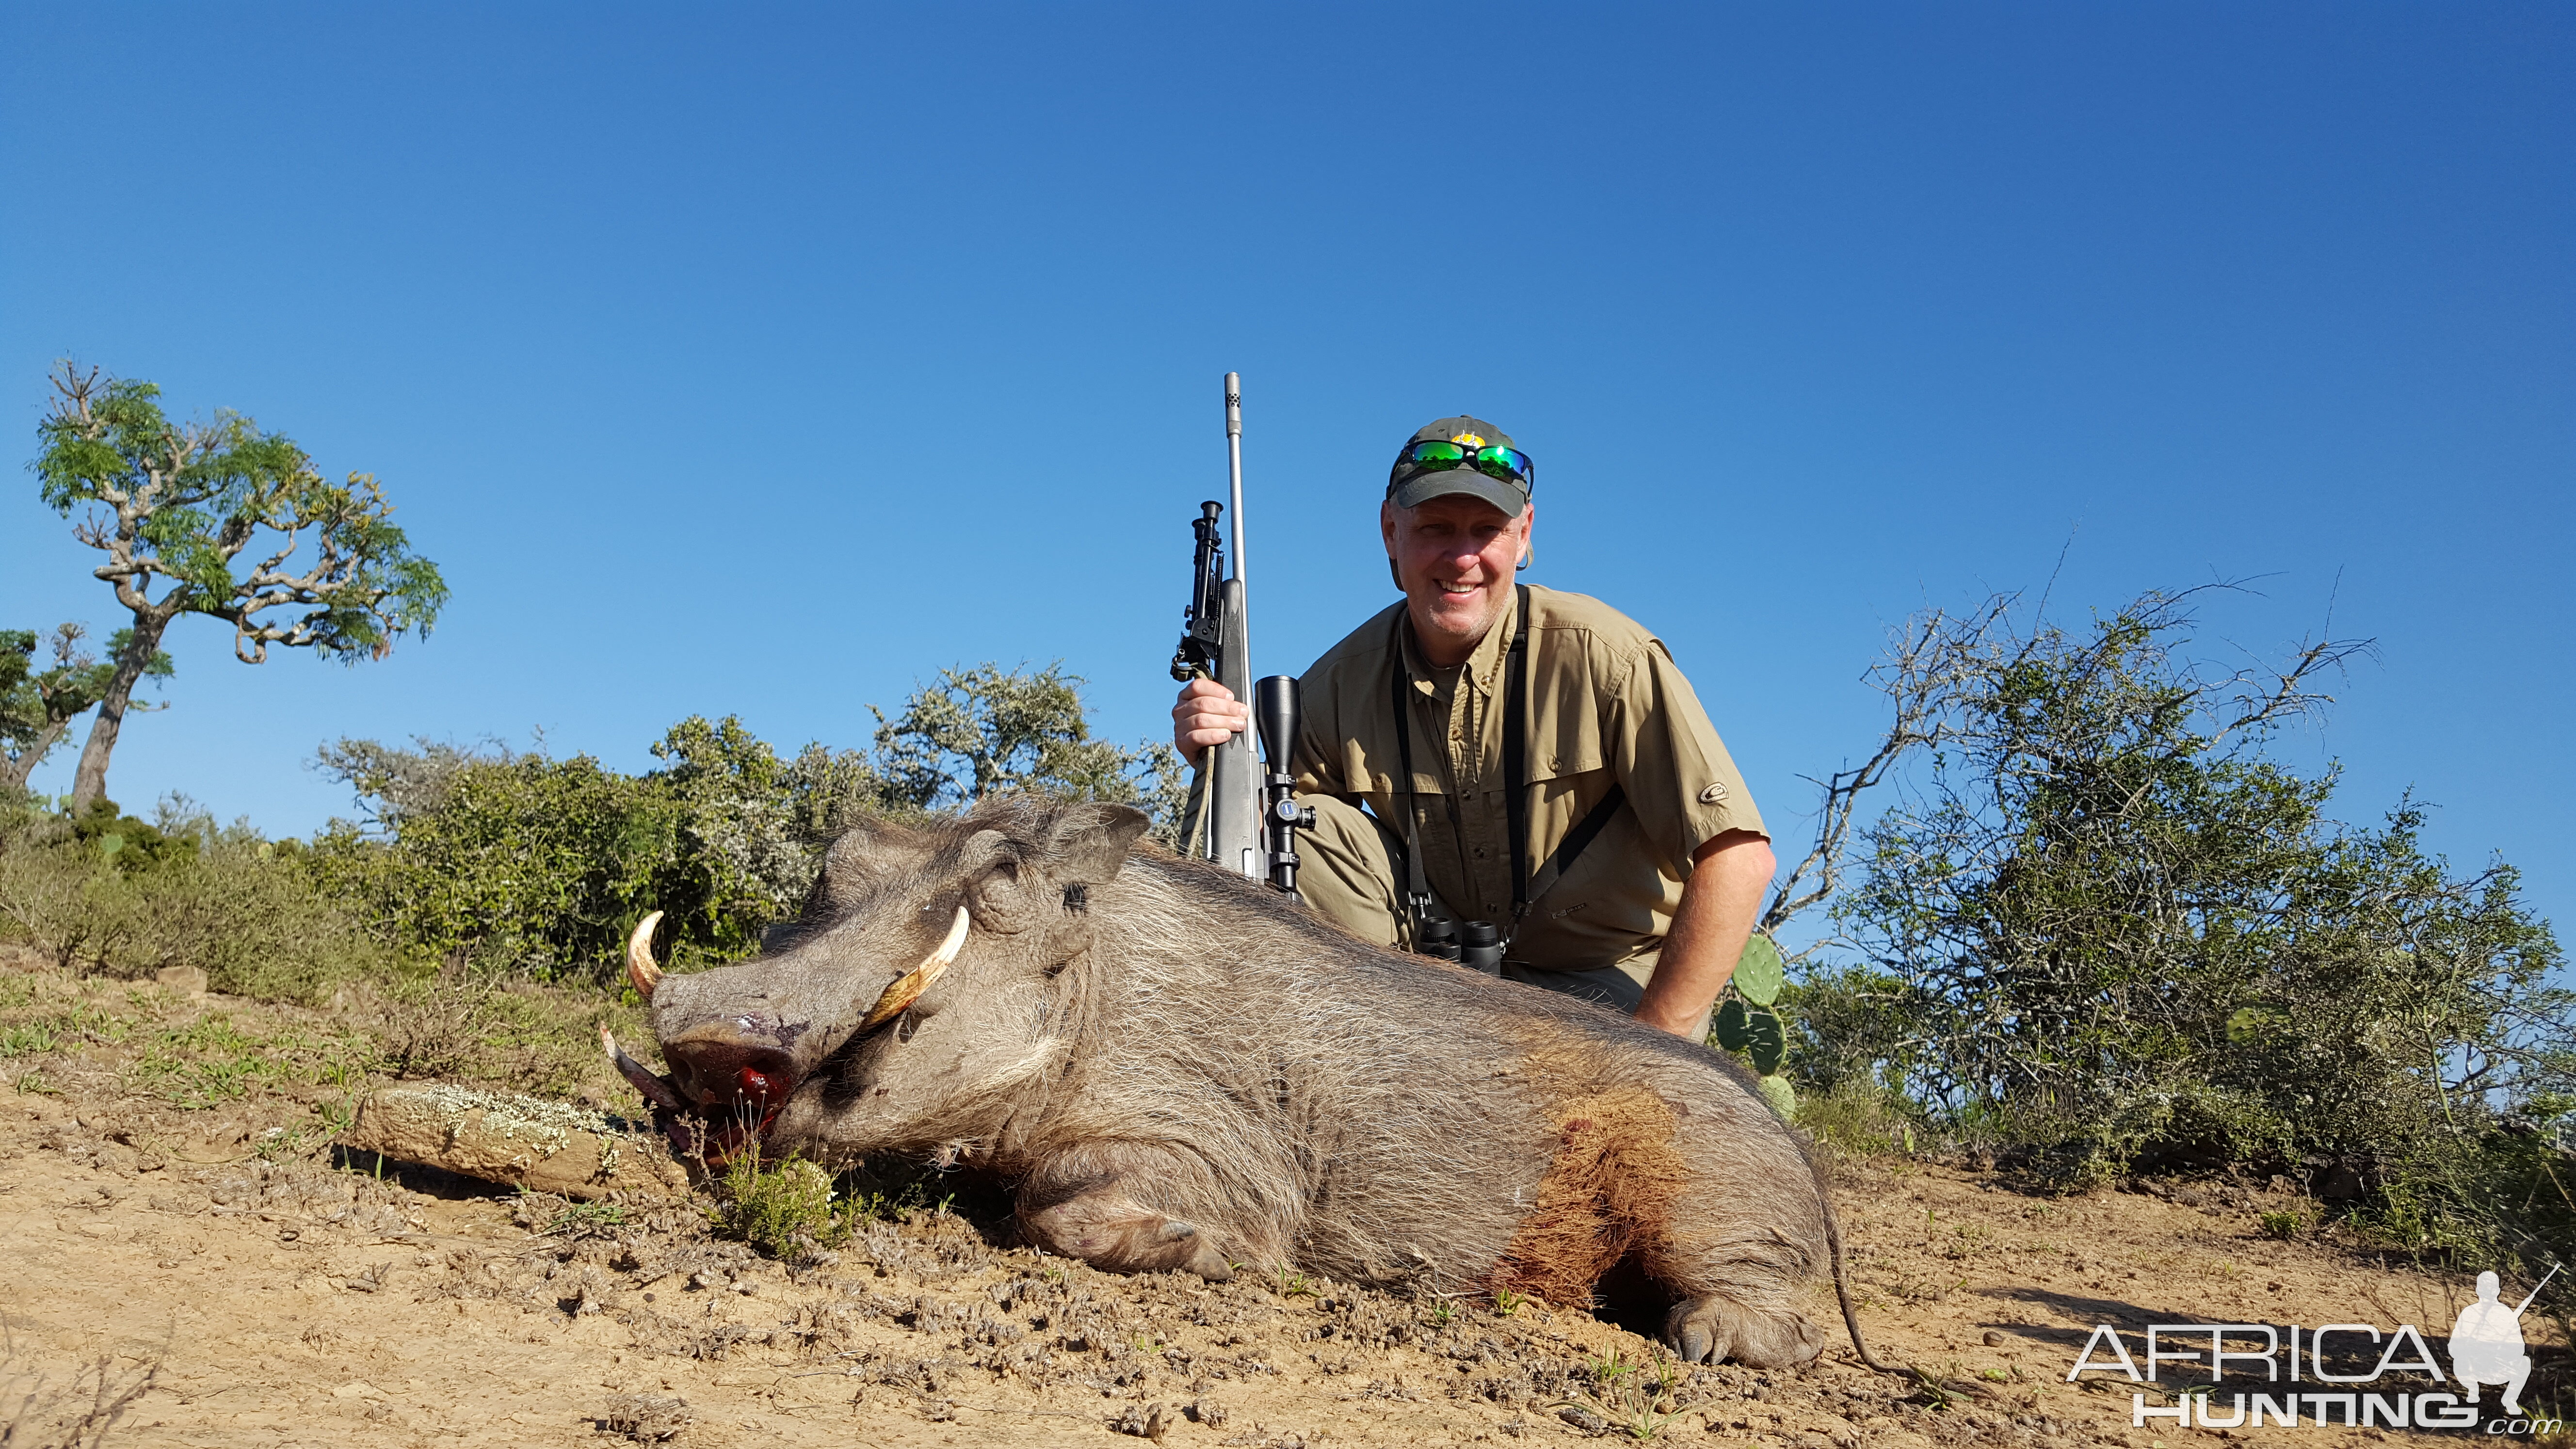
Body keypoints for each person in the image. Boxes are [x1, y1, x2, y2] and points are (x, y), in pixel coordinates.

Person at [1172, 415, 1774, 1040]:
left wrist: (1654, 1059)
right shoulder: (1341, 681)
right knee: (1284, 823)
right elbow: (1264, 838)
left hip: (1609, 990)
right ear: (1390, 533)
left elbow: (1739, 859)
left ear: (1524, 536)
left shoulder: (1606, 656)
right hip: (1442, 981)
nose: (1462, 559)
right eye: (1434, 529)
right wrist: (1216, 755)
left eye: (1486, 530)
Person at [2449, 1271, 2533, 1416]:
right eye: (2484, 1288)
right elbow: (2454, 1347)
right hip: (2473, 1369)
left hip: (2499, 1369)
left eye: (2491, 1288)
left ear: (2497, 1291)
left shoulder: (2506, 1314)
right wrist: (2475, 1350)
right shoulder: (2469, 1312)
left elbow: (2519, 1348)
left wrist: (2501, 1350)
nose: (2488, 1292)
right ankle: (2473, 1389)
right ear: (2477, 1291)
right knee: (2459, 1361)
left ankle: (2510, 1399)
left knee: (2524, 1362)